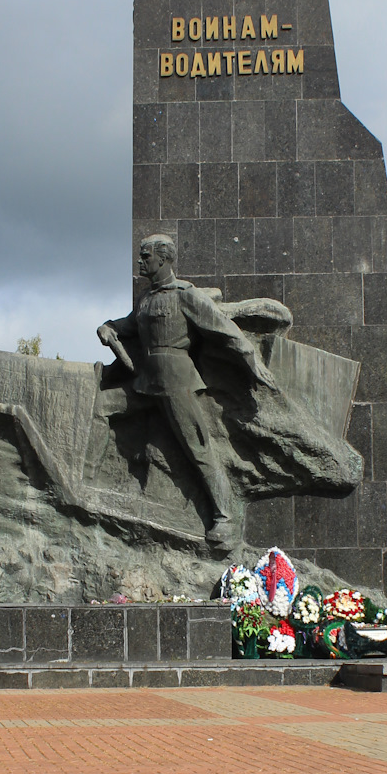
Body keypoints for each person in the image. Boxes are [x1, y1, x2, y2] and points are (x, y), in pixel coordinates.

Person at [98, 234, 278, 553]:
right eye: (140, 256)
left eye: (145, 256)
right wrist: (108, 326)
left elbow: (222, 328)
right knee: (100, 410)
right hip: (144, 380)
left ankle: (226, 518)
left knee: (198, 448)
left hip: (176, 380)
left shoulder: (185, 294)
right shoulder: (146, 298)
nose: (140, 262)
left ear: (164, 259)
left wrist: (252, 361)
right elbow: (129, 325)